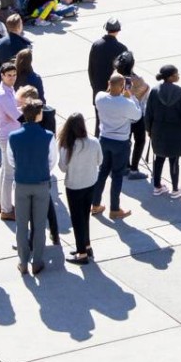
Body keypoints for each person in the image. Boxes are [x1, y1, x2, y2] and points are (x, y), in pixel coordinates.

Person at [10, 96, 56, 276]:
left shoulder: (13, 136)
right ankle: (37, 261)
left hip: (21, 183)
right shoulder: (48, 136)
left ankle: (22, 261)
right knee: (39, 224)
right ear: (38, 115)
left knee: (21, 225)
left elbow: (11, 160)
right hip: (41, 183)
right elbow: (52, 161)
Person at [93, 75, 143, 219]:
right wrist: (131, 97)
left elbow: (107, 94)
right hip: (120, 142)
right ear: (122, 86)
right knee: (117, 175)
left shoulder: (99, 97)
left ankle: (95, 204)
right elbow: (137, 115)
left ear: (109, 83)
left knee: (102, 172)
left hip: (104, 139)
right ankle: (114, 209)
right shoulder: (126, 103)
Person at [57, 113, 102, 264]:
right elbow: (100, 161)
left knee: (77, 219)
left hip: (74, 186)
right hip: (90, 183)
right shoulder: (94, 142)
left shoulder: (67, 146)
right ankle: (86, 246)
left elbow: (62, 168)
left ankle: (82, 253)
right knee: (85, 216)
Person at [146, 64, 181, 197]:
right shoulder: (180, 93)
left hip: (158, 131)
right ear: (171, 77)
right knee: (174, 161)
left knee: (159, 159)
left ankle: (157, 186)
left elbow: (148, 113)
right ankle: (175, 189)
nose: (178, 76)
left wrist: (149, 129)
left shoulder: (155, 91)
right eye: (176, 74)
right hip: (176, 132)